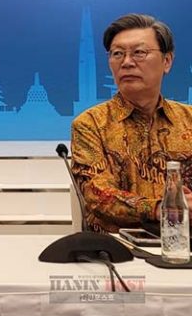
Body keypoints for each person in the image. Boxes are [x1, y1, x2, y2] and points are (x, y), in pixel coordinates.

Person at [71, 14, 192, 233]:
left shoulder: (188, 120)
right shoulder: (90, 124)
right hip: (115, 246)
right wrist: (159, 208)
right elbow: (97, 195)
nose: (126, 62)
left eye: (139, 53)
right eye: (117, 54)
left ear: (167, 61)